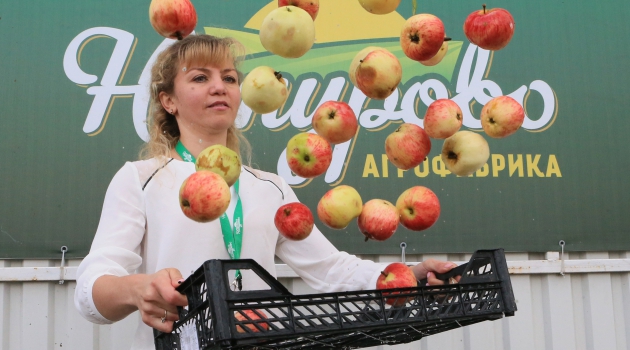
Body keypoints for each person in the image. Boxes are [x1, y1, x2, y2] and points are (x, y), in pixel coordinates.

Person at [74, 34, 458, 350]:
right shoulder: (141, 177)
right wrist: (137, 288)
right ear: (168, 101)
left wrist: (410, 276)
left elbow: (330, 269)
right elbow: (91, 293)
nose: (218, 88)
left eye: (228, 78)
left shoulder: (270, 187)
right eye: (199, 78)